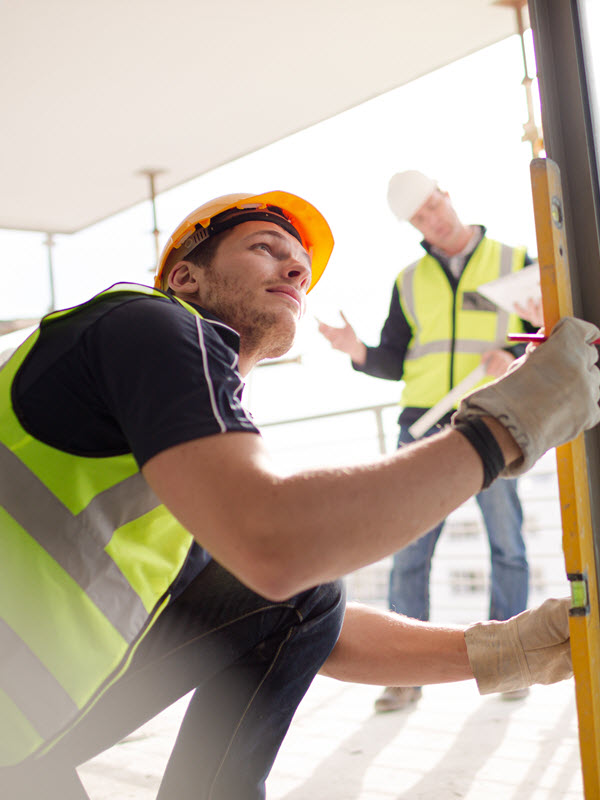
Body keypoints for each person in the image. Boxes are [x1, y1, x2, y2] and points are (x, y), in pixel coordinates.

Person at [1, 190, 599, 800]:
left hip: (22, 727)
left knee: (301, 589)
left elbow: (294, 609)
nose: (294, 270)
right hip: (17, 721)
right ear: (186, 277)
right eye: (266, 248)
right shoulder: (149, 321)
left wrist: (512, 650)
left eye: (303, 270)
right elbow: (278, 546)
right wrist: (506, 426)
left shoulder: (182, 453)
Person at [318, 171, 541, 712]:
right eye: (420, 217)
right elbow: (395, 361)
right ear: (411, 225)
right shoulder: (409, 280)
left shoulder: (516, 262)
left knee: (506, 544)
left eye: (435, 205)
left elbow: (547, 327)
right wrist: (358, 351)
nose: (433, 220)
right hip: (422, 423)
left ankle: (508, 664)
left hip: (491, 416)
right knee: (410, 551)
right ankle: (404, 676)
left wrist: (510, 357)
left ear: (448, 194)